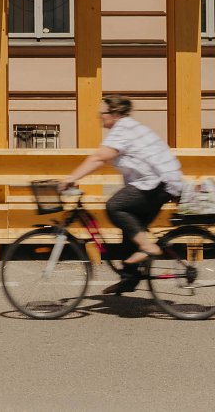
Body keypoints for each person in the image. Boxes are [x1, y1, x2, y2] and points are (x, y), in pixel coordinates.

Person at [61, 95, 183, 294]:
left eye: (103, 113)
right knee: (130, 231)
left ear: (115, 114)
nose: (100, 117)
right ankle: (129, 279)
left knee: (115, 206)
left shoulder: (123, 128)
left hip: (157, 182)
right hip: (160, 182)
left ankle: (149, 247)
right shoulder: (127, 127)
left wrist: (71, 178)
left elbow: (100, 157)